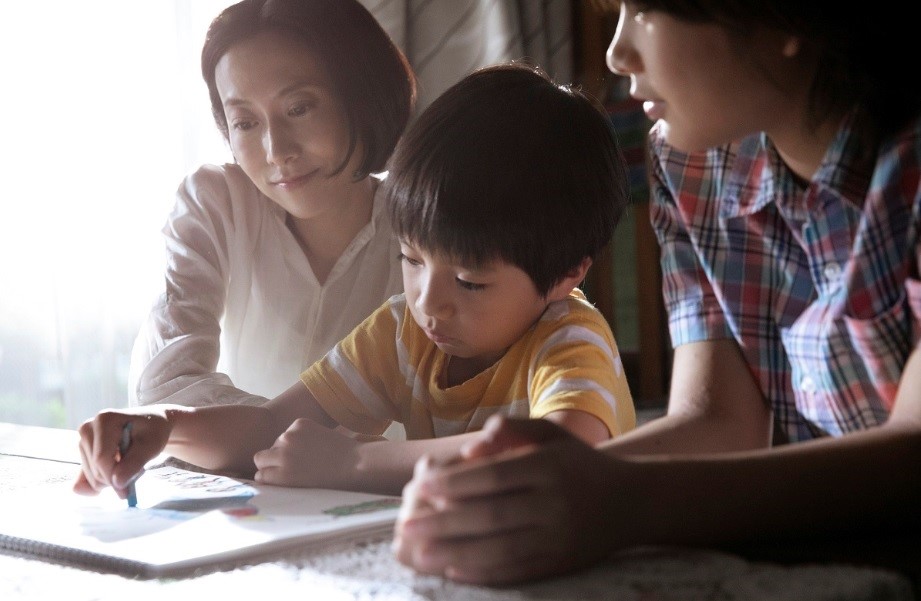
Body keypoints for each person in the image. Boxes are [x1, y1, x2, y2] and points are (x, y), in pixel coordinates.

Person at [392, 0, 921, 586]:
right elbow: (719, 420)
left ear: (783, 20)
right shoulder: (697, 164)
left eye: (644, 11)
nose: (618, 53)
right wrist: (523, 493)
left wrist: (621, 500)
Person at [74, 63, 636, 498]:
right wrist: (165, 427)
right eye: (412, 260)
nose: (429, 304)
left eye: (469, 282)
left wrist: (354, 462)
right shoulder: (403, 332)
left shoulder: (569, 340)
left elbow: (557, 453)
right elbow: (271, 426)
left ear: (567, 275)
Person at [127, 0, 415, 412]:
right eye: (245, 123)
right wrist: (301, 440)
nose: (277, 151)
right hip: (235, 477)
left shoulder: (423, 227)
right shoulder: (217, 204)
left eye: (299, 108)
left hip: (377, 478)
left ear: (362, 96)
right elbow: (164, 384)